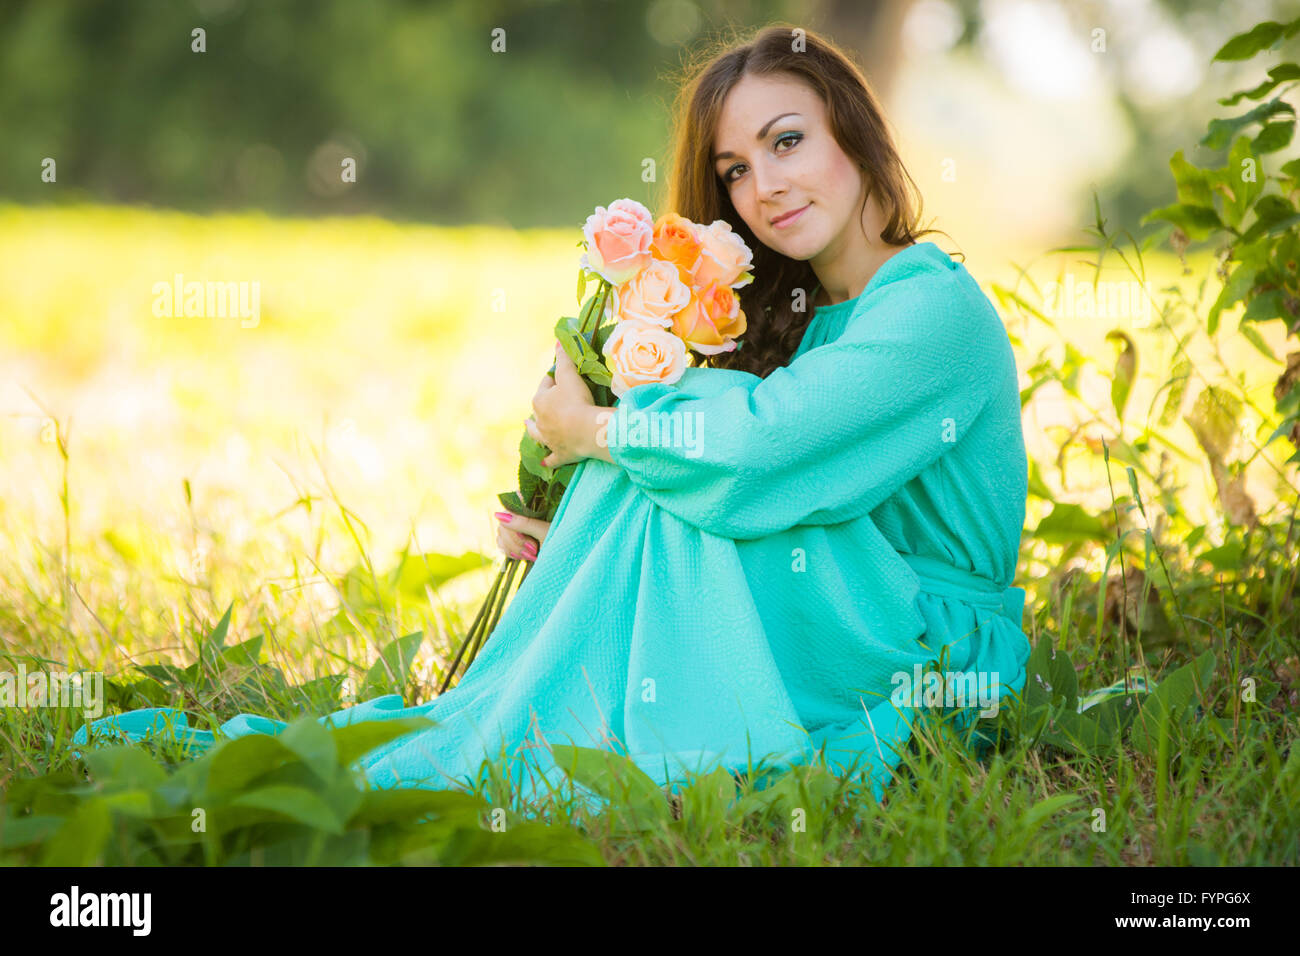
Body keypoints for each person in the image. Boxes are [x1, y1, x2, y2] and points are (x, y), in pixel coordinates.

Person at [75, 23, 1031, 817]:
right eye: (735, 169)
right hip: (834, 598)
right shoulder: (797, 316)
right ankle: (533, 720)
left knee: (690, 426)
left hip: (925, 647)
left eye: (788, 142)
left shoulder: (930, 310)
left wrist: (596, 436)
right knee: (678, 430)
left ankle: (557, 734)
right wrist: (570, 504)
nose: (763, 186)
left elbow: (763, 455)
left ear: (855, 136)